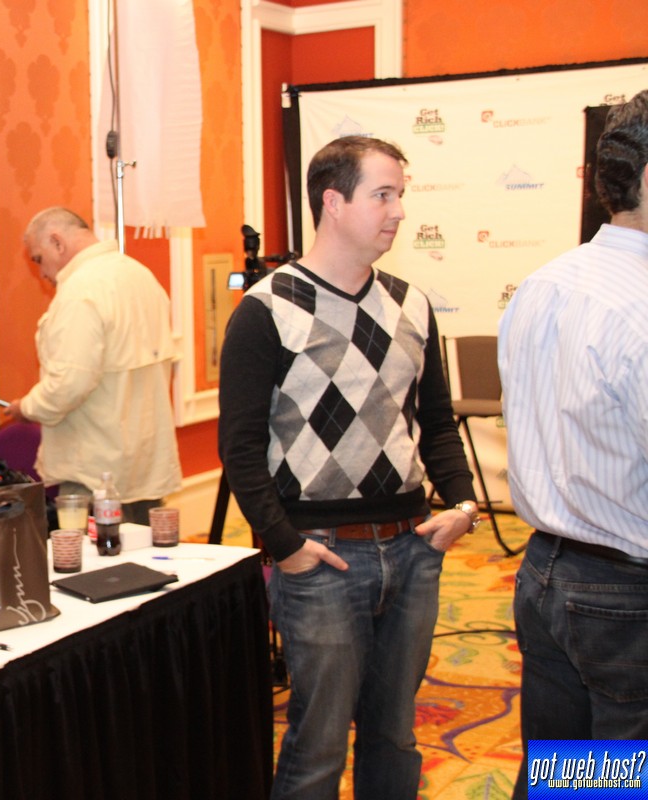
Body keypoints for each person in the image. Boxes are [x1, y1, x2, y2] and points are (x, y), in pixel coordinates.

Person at [218, 136, 478, 800]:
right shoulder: (267, 310)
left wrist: (463, 505)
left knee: (394, 735)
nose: (399, 211)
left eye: (400, 195)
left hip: (414, 549)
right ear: (332, 203)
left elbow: (436, 421)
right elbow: (240, 447)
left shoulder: (412, 304)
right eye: (382, 195)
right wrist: (286, 545)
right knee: (319, 742)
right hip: (322, 557)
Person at [498, 90, 648, 798]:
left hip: (545, 573)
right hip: (623, 590)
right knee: (617, 780)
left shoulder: (542, 283)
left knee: (565, 775)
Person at [3, 207, 182, 525]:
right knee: (146, 554)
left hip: (95, 472)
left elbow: (69, 385)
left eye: (39, 259)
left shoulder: (80, 292)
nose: (42, 273)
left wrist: (26, 408)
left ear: (57, 242)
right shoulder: (141, 276)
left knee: (95, 558)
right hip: (145, 465)